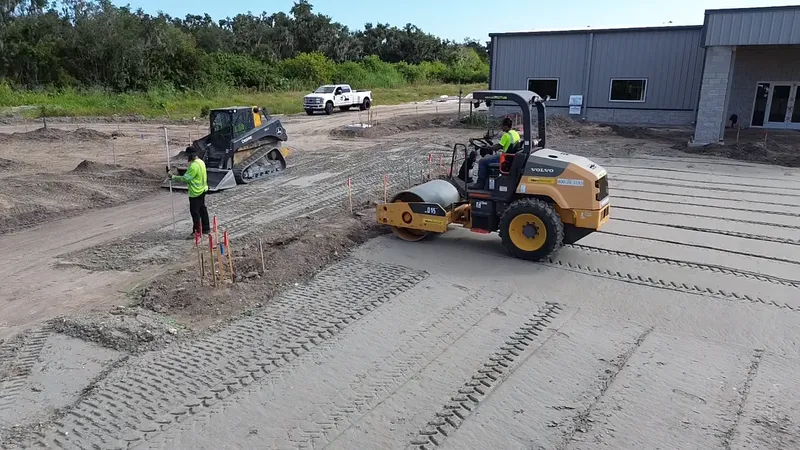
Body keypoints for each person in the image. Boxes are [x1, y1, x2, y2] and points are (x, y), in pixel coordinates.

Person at [167, 147, 210, 239]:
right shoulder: (201, 162)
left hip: (195, 191)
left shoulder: (194, 166)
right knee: (202, 209)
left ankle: (197, 232)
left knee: (195, 212)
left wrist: (173, 177)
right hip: (203, 189)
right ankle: (206, 228)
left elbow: (186, 178)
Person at [469, 117, 520, 189]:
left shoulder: (506, 135)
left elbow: (498, 147)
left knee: (482, 161)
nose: (501, 127)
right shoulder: (515, 133)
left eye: (502, 126)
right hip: (511, 157)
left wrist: (488, 147)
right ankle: (487, 183)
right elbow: (507, 145)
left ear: (506, 126)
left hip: (505, 158)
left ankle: (480, 184)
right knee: (488, 159)